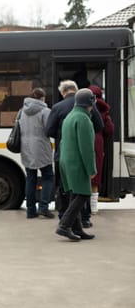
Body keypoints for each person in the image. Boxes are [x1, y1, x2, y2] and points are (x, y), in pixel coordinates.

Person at [45, 80, 103, 220]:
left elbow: (49, 131)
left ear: (62, 92)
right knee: (83, 188)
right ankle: (84, 218)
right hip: (81, 154)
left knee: (65, 189)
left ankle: (64, 216)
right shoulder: (87, 108)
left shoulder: (58, 107)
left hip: (63, 154)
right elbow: (99, 125)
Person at [56, 88, 97, 241]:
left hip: (66, 161)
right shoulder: (83, 119)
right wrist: (91, 169)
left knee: (75, 194)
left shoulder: (70, 117)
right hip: (77, 162)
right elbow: (86, 148)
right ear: (89, 103)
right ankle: (64, 225)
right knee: (84, 194)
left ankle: (77, 228)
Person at [80, 85, 114, 225]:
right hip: (98, 143)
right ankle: (93, 207)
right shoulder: (104, 110)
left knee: (83, 174)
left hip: (84, 141)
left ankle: (84, 206)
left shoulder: (83, 108)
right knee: (95, 173)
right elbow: (110, 130)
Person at [18, 88, 54, 219]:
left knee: (30, 178)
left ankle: (30, 210)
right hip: (41, 147)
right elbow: (49, 130)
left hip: (26, 148)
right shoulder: (45, 111)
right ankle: (43, 207)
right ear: (42, 98)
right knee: (48, 176)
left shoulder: (22, 111)